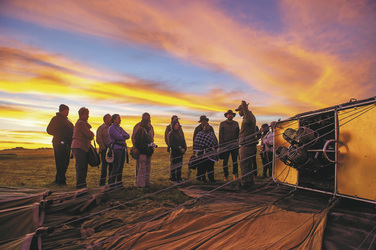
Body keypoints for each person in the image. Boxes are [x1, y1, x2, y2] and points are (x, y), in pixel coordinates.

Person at [46, 104, 74, 186]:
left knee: (65, 162)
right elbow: (49, 130)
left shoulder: (67, 121)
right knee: (60, 162)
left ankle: (58, 179)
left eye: (68, 110)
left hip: (67, 144)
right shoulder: (56, 119)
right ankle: (61, 181)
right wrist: (60, 135)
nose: (67, 112)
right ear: (61, 110)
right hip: (59, 143)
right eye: (66, 110)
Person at [235, 100, 257, 188]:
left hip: (248, 144)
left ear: (243, 110)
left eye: (239, 110)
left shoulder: (249, 116)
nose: (238, 113)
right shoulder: (246, 117)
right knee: (247, 164)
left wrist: (245, 108)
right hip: (245, 143)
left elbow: (248, 121)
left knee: (244, 163)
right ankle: (249, 181)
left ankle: (246, 183)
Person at [71, 107, 94, 189]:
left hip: (80, 147)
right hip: (80, 147)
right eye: (86, 114)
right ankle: (80, 186)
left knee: (82, 167)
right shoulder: (81, 123)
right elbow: (89, 135)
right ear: (81, 115)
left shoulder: (82, 123)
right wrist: (91, 134)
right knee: (81, 167)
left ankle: (81, 185)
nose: (88, 116)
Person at [132, 113, 154, 185]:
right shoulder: (138, 127)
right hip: (141, 150)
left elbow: (152, 136)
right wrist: (138, 148)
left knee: (147, 167)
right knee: (141, 168)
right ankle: (139, 183)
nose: (149, 119)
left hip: (148, 150)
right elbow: (134, 138)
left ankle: (146, 182)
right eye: (148, 118)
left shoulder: (150, 127)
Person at [108, 114, 130, 187]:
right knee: (116, 167)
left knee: (121, 167)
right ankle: (112, 184)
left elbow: (128, 135)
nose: (120, 120)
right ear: (114, 119)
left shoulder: (120, 128)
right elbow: (118, 137)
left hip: (122, 149)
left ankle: (119, 183)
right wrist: (122, 136)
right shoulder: (112, 128)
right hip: (116, 149)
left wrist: (121, 135)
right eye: (118, 118)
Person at [219, 110, 240, 181]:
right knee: (225, 161)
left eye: (231, 114)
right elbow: (220, 135)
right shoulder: (222, 124)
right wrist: (220, 146)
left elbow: (238, 134)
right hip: (225, 144)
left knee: (235, 161)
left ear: (233, 116)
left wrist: (238, 143)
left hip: (234, 144)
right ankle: (226, 176)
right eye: (229, 114)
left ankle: (235, 175)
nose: (230, 115)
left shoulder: (236, 124)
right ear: (227, 115)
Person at [96, 113, 112, 186]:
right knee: (104, 167)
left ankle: (110, 182)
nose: (111, 119)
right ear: (105, 119)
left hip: (111, 149)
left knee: (111, 166)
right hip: (104, 149)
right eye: (109, 118)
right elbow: (98, 138)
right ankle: (102, 183)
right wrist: (103, 147)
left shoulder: (112, 127)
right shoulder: (101, 128)